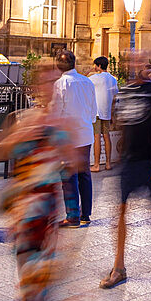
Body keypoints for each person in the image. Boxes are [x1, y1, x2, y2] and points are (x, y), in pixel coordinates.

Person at [0, 65, 76, 301]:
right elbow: (0, 151)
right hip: (24, 205)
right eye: (43, 82)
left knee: (36, 273)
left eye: (52, 83)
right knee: (26, 271)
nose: (47, 87)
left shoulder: (59, 124)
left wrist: (54, 147)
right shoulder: (24, 118)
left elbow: (72, 163)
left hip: (44, 206)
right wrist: (18, 135)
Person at [99, 55, 151, 288]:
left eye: (139, 62)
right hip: (129, 160)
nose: (134, 65)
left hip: (148, 158)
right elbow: (120, 121)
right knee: (120, 211)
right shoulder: (124, 91)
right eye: (131, 62)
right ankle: (119, 267)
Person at [51, 50, 97, 228]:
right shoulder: (87, 82)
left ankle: (72, 216)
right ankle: (86, 214)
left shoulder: (60, 84)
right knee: (84, 174)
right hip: (85, 132)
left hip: (68, 136)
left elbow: (56, 111)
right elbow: (94, 110)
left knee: (69, 176)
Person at [89, 56, 118, 172]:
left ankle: (96, 165)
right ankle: (108, 163)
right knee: (106, 136)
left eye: (95, 65)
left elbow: (82, 80)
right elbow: (115, 97)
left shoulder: (94, 78)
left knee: (97, 137)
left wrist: (88, 71)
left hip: (97, 112)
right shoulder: (112, 79)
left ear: (99, 66)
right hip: (107, 111)